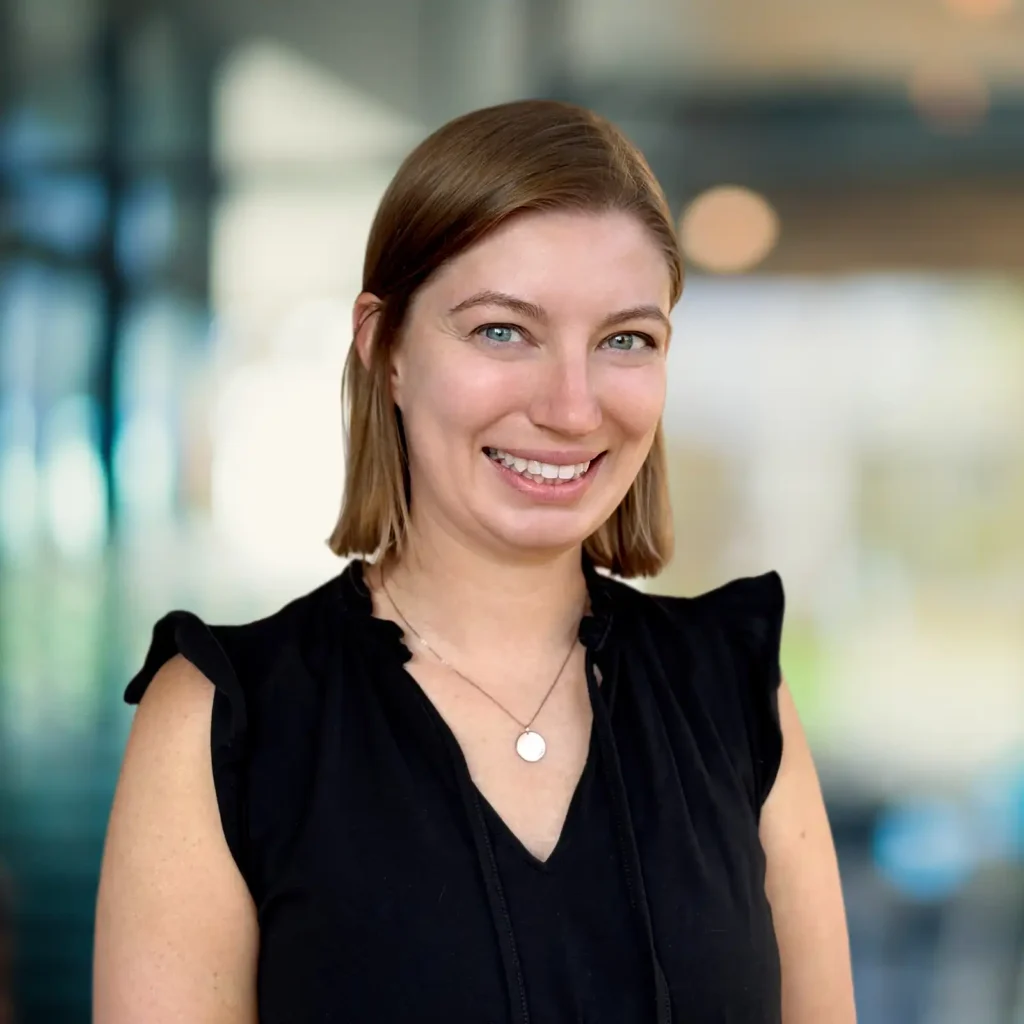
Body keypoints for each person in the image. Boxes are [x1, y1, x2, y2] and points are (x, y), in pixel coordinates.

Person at [93, 99, 856, 1023]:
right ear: (385, 348)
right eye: (503, 330)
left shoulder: (733, 694)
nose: (573, 408)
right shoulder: (227, 721)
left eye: (626, 340)